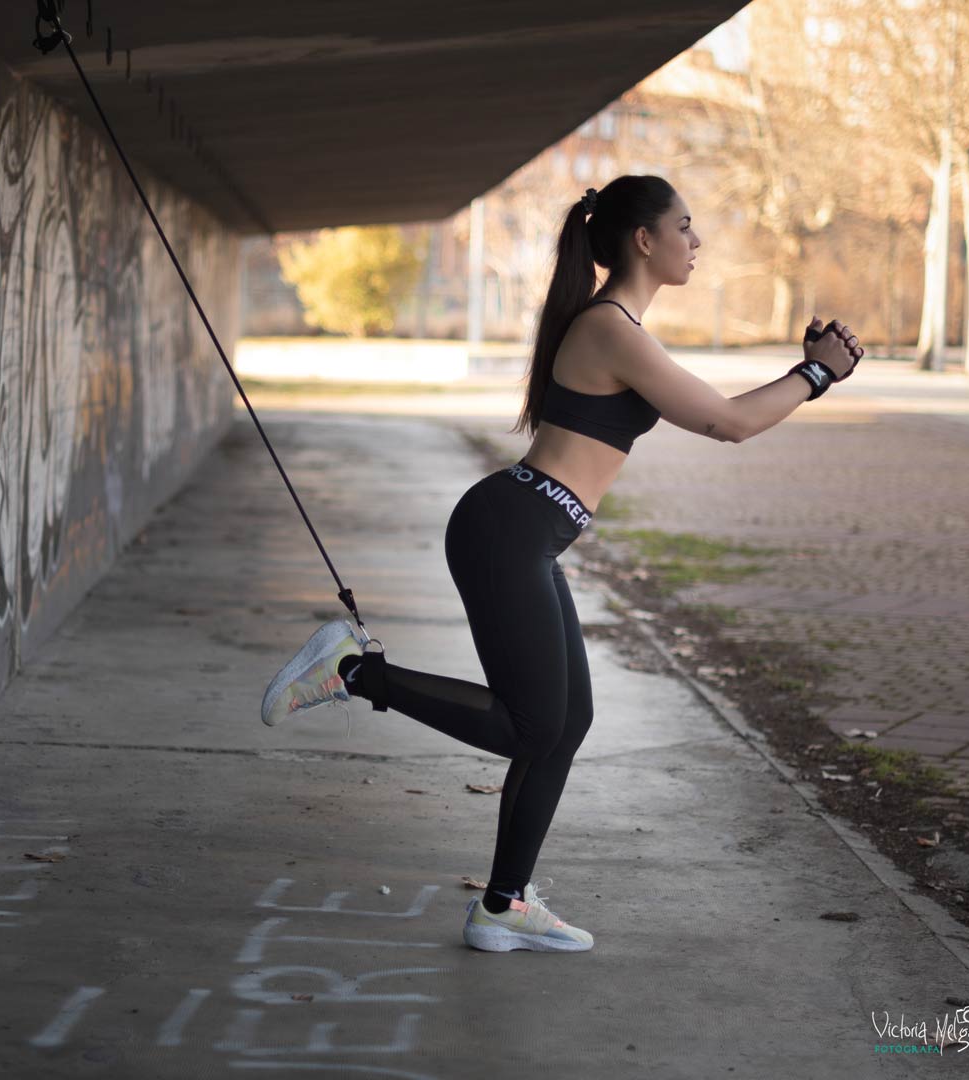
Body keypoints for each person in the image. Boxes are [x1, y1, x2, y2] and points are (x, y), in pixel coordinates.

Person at [258, 175, 864, 953]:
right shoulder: (612, 327)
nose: (696, 240)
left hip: (527, 531)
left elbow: (727, 414)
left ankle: (503, 905)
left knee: (564, 723)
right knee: (532, 724)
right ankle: (353, 672)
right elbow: (728, 422)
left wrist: (808, 374)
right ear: (643, 240)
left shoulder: (619, 326)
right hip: (509, 528)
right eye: (685, 225)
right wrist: (816, 373)